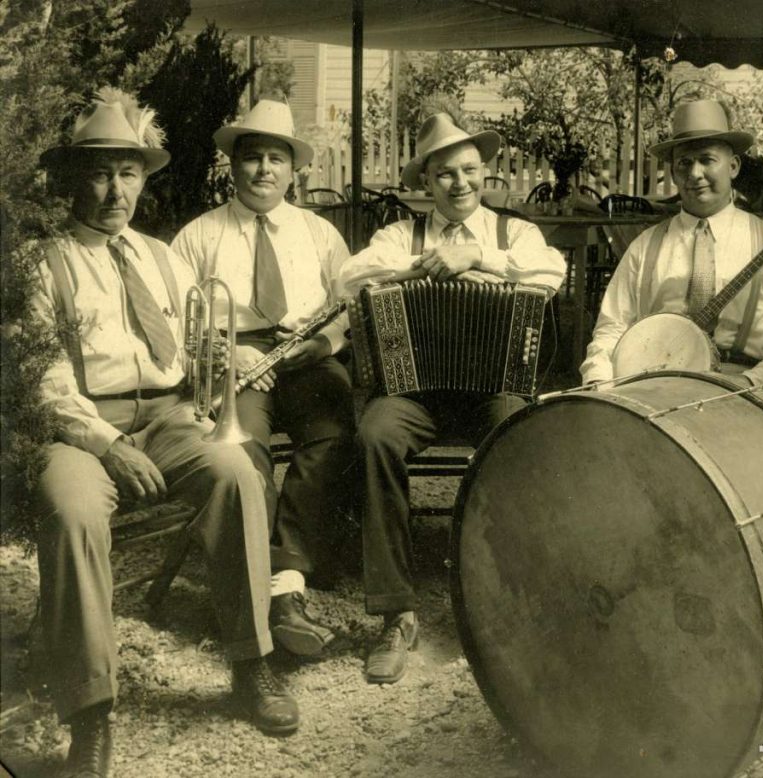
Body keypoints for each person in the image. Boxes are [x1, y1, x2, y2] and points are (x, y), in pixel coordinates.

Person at [33, 89, 300, 777]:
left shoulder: (163, 257)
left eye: (128, 172)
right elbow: (44, 382)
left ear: (142, 179)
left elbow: (194, 347)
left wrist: (218, 362)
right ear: (72, 179)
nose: (115, 189)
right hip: (85, 426)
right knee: (70, 510)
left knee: (240, 471)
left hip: (170, 415)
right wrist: (105, 446)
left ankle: (252, 664)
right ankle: (90, 713)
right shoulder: (43, 264)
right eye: (99, 171)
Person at [337, 105, 565, 684]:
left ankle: (504, 600)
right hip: (416, 389)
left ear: (486, 172)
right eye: (444, 174)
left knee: (519, 434)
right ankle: (397, 613)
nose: (459, 184)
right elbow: (349, 279)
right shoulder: (399, 234)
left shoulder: (517, 234)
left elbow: (550, 276)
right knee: (375, 434)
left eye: (468, 170)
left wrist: (479, 256)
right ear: (426, 182)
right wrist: (424, 264)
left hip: (493, 386)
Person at [173, 99, 355, 657]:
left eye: (277, 158)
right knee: (245, 450)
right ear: (233, 165)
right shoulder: (198, 236)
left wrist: (322, 344)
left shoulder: (321, 234)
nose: (264, 170)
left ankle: (288, 577)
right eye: (253, 158)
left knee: (334, 430)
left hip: (307, 355)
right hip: (236, 367)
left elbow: (348, 306)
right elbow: (179, 315)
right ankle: (263, 584)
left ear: (293, 170)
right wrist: (227, 359)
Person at [580, 99, 763, 388]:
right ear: (673, 173)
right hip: (654, 389)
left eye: (707, 160)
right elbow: (612, 327)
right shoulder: (646, 246)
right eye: (684, 163)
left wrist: (751, 382)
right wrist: (599, 379)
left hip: (744, 389)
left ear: (733, 166)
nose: (695, 174)